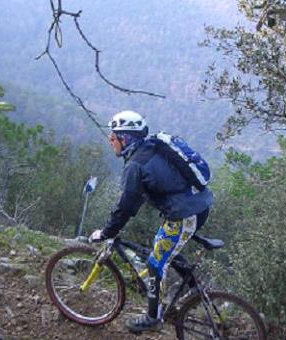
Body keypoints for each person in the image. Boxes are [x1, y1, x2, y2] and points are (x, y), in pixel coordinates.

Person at [89, 110, 213, 333]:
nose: (110, 140)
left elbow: (126, 205)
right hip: (199, 204)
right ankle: (196, 294)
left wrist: (107, 232)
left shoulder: (135, 165)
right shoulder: (152, 146)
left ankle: (153, 318)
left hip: (185, 214)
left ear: (126, 138)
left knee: (155, 263)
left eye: (114, 136)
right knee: (163, 246)